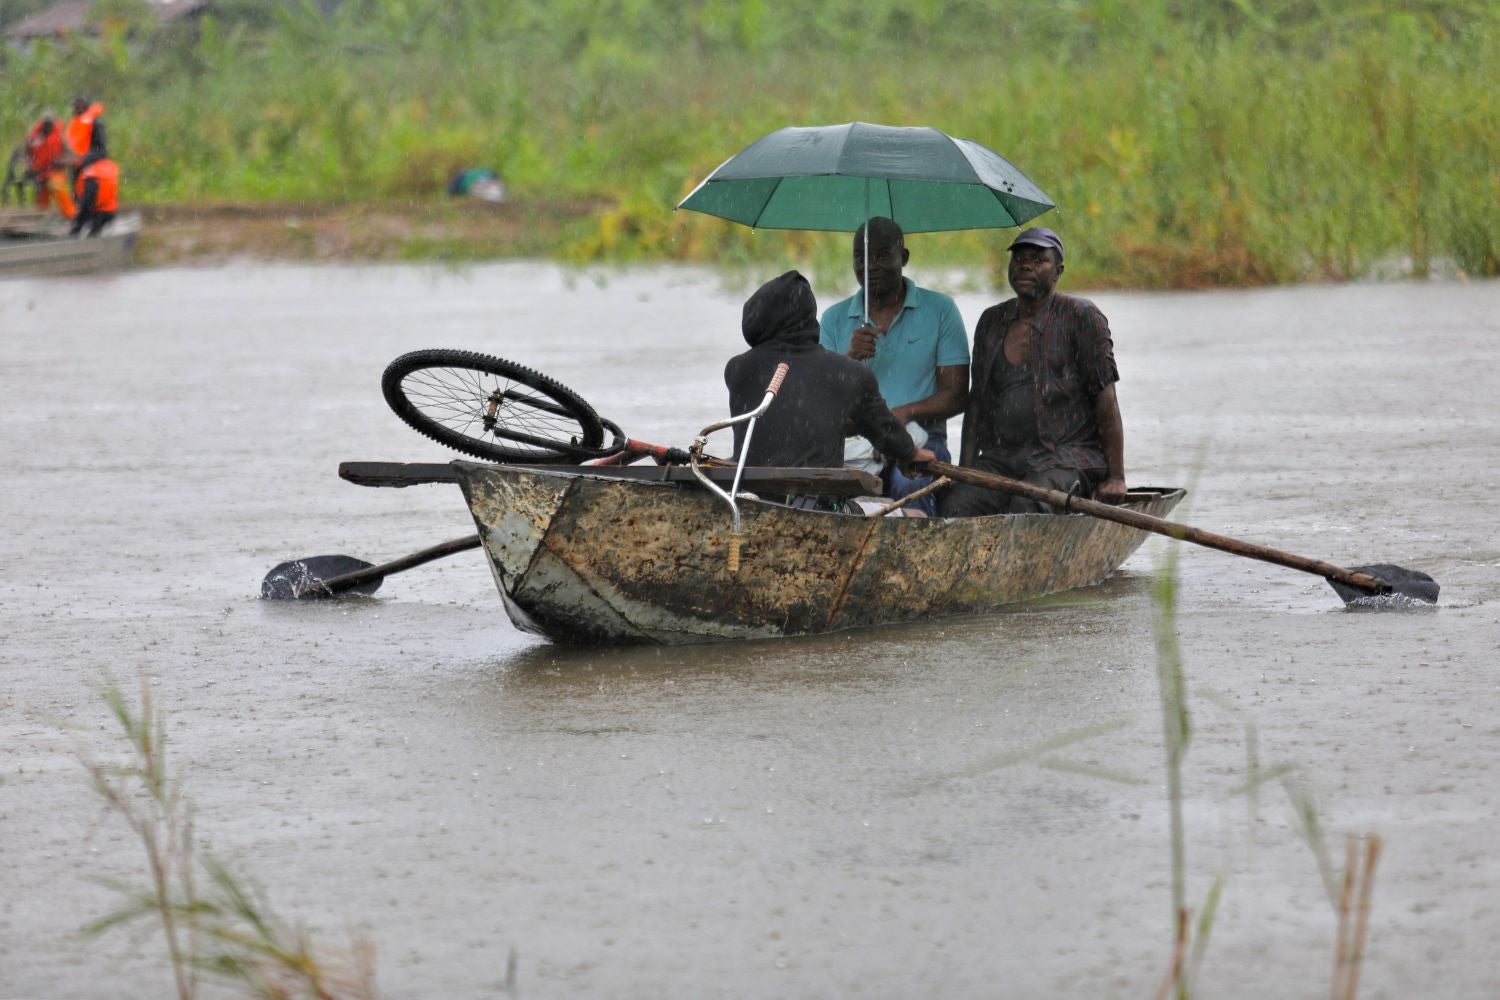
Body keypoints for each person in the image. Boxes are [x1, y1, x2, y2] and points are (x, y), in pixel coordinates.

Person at [939, 227, 1127, 517]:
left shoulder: (1081, 316)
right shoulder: (992, 321)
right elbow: (976, 404)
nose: (1026, 265)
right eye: (1019, 259)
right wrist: (965, 472)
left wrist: (1116, 478)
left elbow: (1106, 399)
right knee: (955, 505)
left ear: (1058, 271)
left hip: (1065, 458)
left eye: (1039, 260)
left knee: (1027, 506)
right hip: (1002, 460)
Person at [726, 270, 936, 510]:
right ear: (809, 318)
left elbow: (792, 414)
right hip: (822, 510)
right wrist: (909, 452)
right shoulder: (850, 373)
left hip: (752, 506)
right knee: (916, 515)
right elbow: (883, 430)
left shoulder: (737, 370)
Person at [819, 217, 969, 514]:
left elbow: (957, 394)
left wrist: (903, 414)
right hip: (853, 441)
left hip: (922, 437)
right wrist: (849, 360)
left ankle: (916, 556)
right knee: (822, 484)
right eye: (860, 257)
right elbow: (820, 398)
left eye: (881, 256)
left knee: (911, 484)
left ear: (904, 257)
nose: (870, 266)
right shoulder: (834, 319)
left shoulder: (940, 310)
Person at [24, 112, 76, 219]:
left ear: (53, 124)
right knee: (42, 197)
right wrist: (28, 165)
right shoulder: (33, 137)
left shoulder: (60, 136)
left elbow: (71, 155)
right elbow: (26, 153)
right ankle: (40, 219)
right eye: (45, 124)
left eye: (50, 124)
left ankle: (71, 216)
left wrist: (62, 161)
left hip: (55, 171)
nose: (47, 126)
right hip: (40, 173)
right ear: (41, 124)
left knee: (57, 186)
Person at [70, 152, 119, 237]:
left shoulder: (91, 175)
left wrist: (78, 222)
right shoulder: (108, 170)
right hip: (111, 212)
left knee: (81, 230)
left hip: (97, 214)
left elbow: (88, 201)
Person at [64, 97, 107, 175]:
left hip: (92, 165)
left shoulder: (95, 124)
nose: (78, 109)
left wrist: (84, 159)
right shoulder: (74, 124)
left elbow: (101, 150)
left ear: (87, 107)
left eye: (80, 106)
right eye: (76, 107)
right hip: (77, 165)